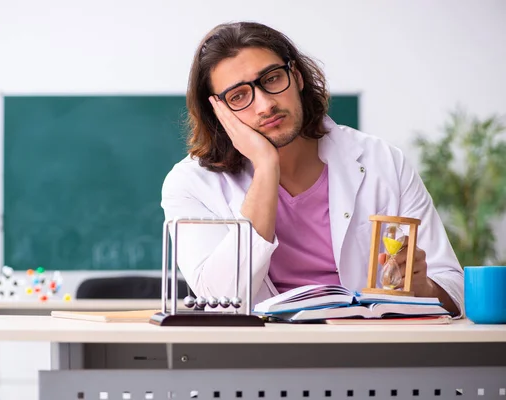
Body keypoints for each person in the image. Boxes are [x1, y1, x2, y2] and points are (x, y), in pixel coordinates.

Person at [161, 21, 463, 315]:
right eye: (239, 96)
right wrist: (266, 167)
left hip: (370, 349)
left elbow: (455, 289)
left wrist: (422, 288)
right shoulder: (190, 184)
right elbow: (222, 302)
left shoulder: (382, 161)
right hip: (259, 356)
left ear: (297, 76)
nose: (265, 105)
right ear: (218, 110)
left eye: (272, 79)